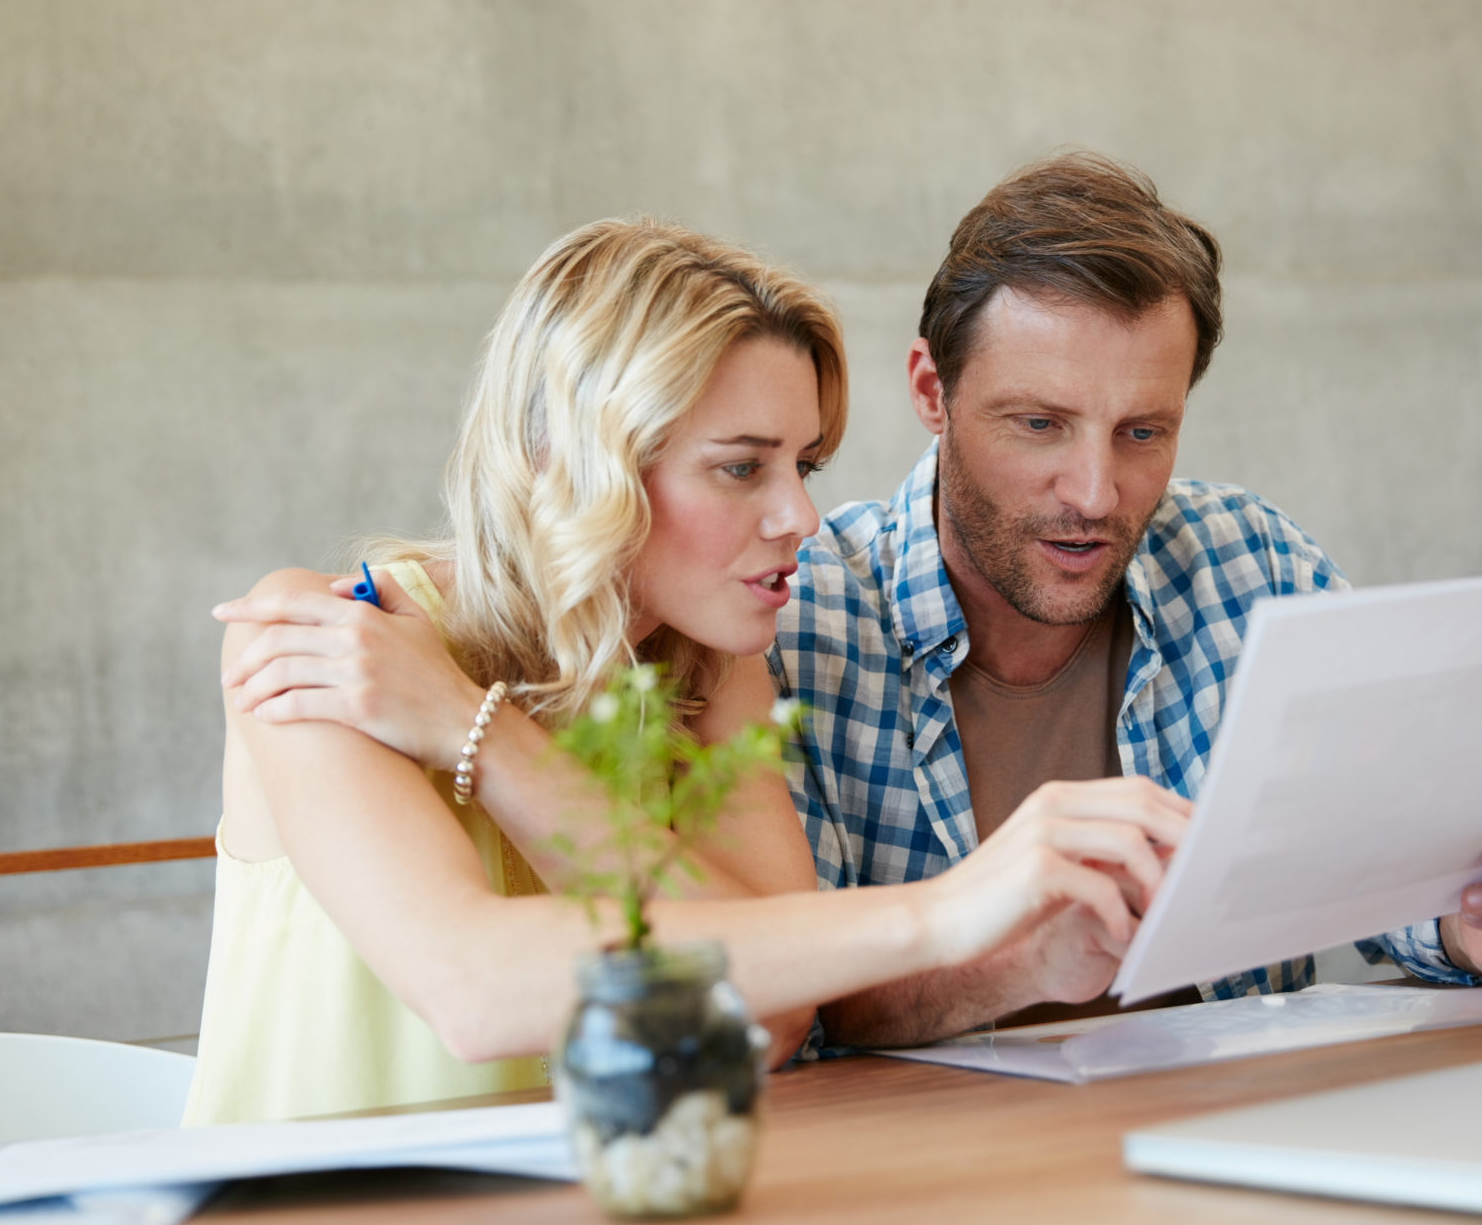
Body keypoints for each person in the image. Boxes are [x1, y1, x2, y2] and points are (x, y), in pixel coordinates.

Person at [187, 218, 1186, 1123]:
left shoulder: (705, 663)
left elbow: (781, 1012)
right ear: (574, 461)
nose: (799, 515)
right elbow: (472, 986)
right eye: (741, 466)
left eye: (805, 464)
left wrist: (471, 729)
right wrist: (952, 909)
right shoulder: (322, 639)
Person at [769, 151, 1482, 1048]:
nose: (1096, 493)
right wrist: (1020, 963)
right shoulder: (800, 620)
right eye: (1039, 425)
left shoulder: (1251, 564)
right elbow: (797, 1015)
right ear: (930, 393)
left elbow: (1382, 873)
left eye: (1143, 432)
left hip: (1229, 1146)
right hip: (937, 1172)